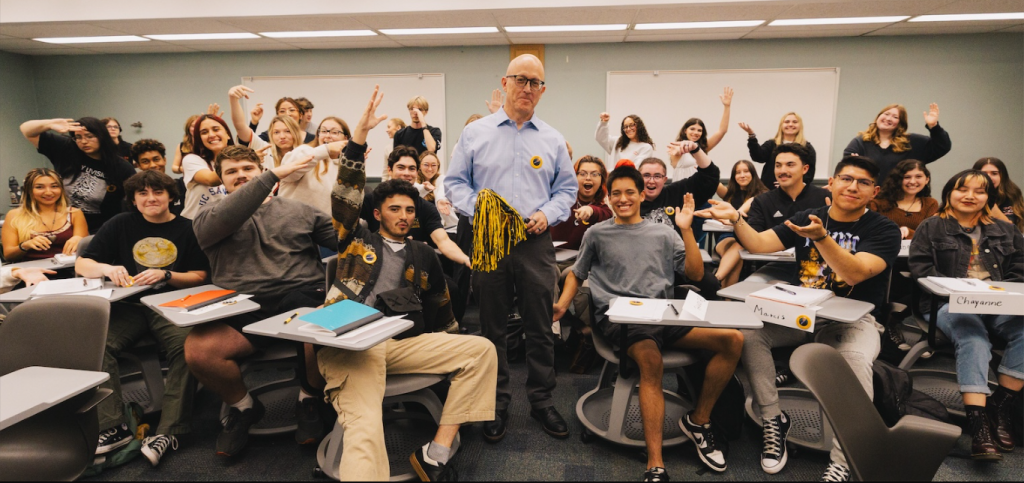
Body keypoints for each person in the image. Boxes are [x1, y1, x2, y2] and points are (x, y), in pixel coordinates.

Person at [317, 89, 497, 480]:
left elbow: (443, 311)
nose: (403, 215)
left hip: (398, 344)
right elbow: (345, 196)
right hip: (352, 344)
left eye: (410, 210)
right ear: (377, 213)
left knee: (481, 350)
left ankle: (436, 453)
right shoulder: (356, 239)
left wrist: (451, 347)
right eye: (394, 209)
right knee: (366, 427)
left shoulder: (422, 253)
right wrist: (359, 137)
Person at [697, 155, 900, 482]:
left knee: (855, 362)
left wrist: (821, 238)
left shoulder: (883, 229)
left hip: (852, 321)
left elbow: (855, 273)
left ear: (874, 192)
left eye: (863, 183)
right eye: (846, 179)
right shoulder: (808, 216)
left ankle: (844, 459)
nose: (853, 187)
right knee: (750, 332)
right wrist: (736, 219)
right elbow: (760, 243)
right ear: (831, 184)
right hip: (801, 316)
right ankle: (773, 420)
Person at [557, 164, 742, 480]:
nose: (623, 199)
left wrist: (686, 230)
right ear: (608, 197)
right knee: (651, 360)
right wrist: (562, 305)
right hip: (622, 319)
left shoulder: (664, 233)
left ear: (642, 195)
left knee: (733, 340)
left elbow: (696, 274)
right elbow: (577, 273)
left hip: (662, 314)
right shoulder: (597, 233)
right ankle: (655, 463)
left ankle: (699, 420)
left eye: (630, 192)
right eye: (616, 193)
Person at [446, 54, 577, 442]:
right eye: (521, 79)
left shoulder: (552, 139)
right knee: (492, 327)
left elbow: (566, 191)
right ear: (505, 83)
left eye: (535, 83)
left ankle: (542, 400)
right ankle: (496, 402)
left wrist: (546, 213)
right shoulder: (476, 133)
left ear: (542, 90)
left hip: (535, 242)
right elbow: (455, 184)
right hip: (490, 239)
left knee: (540, 325)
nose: (527, 88)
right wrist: (485, 211)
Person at [184, 144, 337, 457]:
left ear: (260, 169)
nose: (241, 175)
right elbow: (232, 211)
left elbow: (344, 239)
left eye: (248, 169)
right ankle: (243, 407)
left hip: (301, 296)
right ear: (221, 180)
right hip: (244, 305)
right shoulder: (209, 217)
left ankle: (309, 399)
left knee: (319, 322)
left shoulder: (300, 210)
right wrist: (272, 176)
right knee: (199, 351)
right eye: (232, 171)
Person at [75, 170, 209, 467]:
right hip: (129, 306)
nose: (151, 199)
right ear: (133, 200)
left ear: (171, 197)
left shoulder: (189, 228)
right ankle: (113, 427)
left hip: (172, 304)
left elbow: (200, 276)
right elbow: (83, 264)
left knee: (188, 348)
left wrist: (167, 274)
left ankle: (169, 430)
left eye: (158, 192)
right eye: (143, 193)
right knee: (96, 346)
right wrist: (107, 269)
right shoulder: (120, 224)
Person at [909, 169, 1023, 461]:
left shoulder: (1006, 229)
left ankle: (1000, 405)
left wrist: (999, 293)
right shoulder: (931, 227)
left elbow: (1019, 270)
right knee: (974, 338)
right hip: (948, 304)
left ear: (989, 197)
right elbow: (921, 270)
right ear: (949, 193)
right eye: (963, 189)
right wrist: (961, 292)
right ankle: (979, 423)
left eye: (980, 191)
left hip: (996, 304)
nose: (970, 196)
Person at [20, 116, 136, 231]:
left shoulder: (121, 167)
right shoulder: (66, 149)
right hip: (59, 225)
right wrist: (49, 124)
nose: (84, 141)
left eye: (90, 136)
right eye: (78, 137)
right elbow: (26, 130)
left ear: (102, 137)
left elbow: (134, 201)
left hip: (98, 230)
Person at [364, 146, 471, 268]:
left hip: (414, 267)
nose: (407, 173)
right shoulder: (372, 200)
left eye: (412, 168)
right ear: (390, 170)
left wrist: (467, 260)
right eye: (401, 167)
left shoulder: (426, 207)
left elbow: (443, 241)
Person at [743, 143, 831, 283]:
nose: (782, 170)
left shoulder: (824, 197)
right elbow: (753, 237)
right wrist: (736, 219)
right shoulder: (762, 201)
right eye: (778, 165)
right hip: (774, 267)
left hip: (818, 267)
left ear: (805, 169)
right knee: (751, 284)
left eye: (790, 165)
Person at [843, 103, 951, 180]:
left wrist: (933, 126)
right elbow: (847, 164)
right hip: (871, 198)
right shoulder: (861, 141)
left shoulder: (912, 142)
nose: (888, 118)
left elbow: (942, 146)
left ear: (900, 124)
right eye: (886, 114)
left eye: (895, 117)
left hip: (903, 198)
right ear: (878, 117)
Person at [2, 168, 87, 262]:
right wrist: (26, 245)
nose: (48, 192)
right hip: (30, 269)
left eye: (54, 186)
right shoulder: (14, 215)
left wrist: (79, 240)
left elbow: (86, 251)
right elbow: (8, 255)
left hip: (69, 267)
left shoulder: (74, 213)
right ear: (28, 190)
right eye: (39, 187)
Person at [712, 160, 769, 287]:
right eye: (738, 172)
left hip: (749, 238)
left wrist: (733, 218)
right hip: (727, 237)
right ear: (734, 176)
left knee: (738, 251)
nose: (742, 175)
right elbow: (714, 181)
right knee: (738, 253)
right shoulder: (730, 194)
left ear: (753, 174)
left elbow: (744, 212)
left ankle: (715, 281)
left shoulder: (762, 196)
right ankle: (718, 286)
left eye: (746, 171)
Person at [667, 87, 732, 181]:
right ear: (685, 130)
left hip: (699, 187)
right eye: (692, 129)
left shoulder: (702, 148)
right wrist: (678, 150)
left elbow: (722, 131)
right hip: (682, 188)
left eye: (699, 130)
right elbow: (677, 151)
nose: (695, 133)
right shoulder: (677, 146)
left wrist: (727, 106)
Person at [550, 155, 613, 253]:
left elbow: (601, 214)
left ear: (602, 180)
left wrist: (590, 210)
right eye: (582, 174)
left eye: (594, 174)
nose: (588, 178)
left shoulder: (605, 211)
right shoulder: (560, 201)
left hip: (582, 261)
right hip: (551, 258)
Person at [739, 112, 816, 187]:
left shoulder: (807, 148)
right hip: (769, 190)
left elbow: (809, 173)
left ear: (800, 126)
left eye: (795, 122)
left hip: (795, 191)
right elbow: (758, 157)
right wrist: (751, 136)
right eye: (787, 122)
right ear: (781, 125)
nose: (790, 124)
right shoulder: (772, 144)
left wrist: (789, 184)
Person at [868, 159, 939, 240]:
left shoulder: (930, 204)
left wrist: (909, 232)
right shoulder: (877, 202)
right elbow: (869, 230)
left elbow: (931, 236)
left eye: (918, 177)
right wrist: (895, 232)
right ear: (897, 179)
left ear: (927, 179)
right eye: (907, 177)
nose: (912, 181)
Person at [179, 114, 232, 219]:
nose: (211, 135)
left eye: (216, 129)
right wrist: (240, 161)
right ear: (200, 139)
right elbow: (211, 180)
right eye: (204, 132)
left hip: (227, 222)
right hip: (194, 223)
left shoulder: (239, 162)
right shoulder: (191, 159)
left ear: (228, 134)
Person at [130, 139, 186, 216]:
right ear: (138, 165)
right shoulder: (135, 194)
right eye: (145, 161)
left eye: (156, 159)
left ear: (164, 160)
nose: (153, 165)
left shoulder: (182, 186)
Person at [973, 157, 1024, 232]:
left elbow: (1010, 228)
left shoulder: (1011, 193)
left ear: (1002, 176)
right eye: (983, 173)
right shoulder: (966, 195)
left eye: (994, 173)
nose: (989, 177)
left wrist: (990, 202)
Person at [248, 96, 316, 144]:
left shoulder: (313, 139)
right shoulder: (270, 135)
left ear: (300, 115)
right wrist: (254, 122)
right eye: (282, 111)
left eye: (292, 110)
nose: (287, 114)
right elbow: (248, 144)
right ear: (277, 116)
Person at [417, 151, 458, 228]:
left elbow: (442, 190)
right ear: (419, 166)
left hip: (439, 225)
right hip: (418, 224)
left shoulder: (442, 179)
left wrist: (440, 200)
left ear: (438, 167)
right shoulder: (414, 181)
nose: (430, 169)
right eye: (426, 165)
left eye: (433, 165)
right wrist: (424, 188)